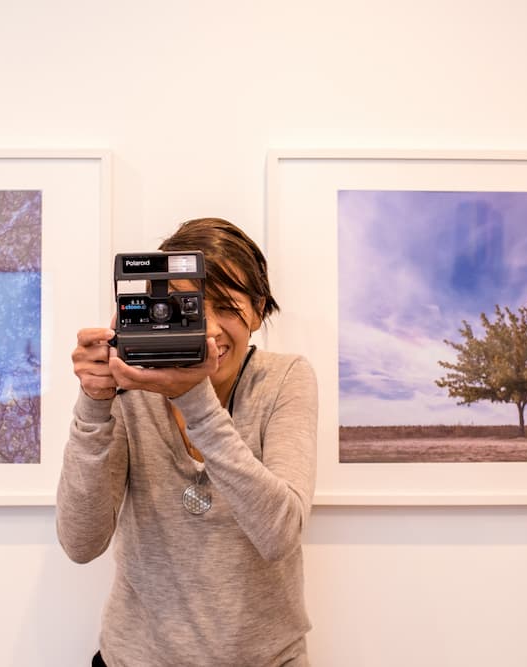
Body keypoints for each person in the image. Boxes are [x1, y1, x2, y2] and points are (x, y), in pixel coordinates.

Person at [56, 217, 318, 666]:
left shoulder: (285, 379)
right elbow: (81, 543)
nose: (207, 328)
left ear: (257, 311)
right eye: (187, 307)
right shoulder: (134, 386)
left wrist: (193, 398)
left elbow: (279, 535)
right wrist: (94, 404)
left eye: (226, 307)